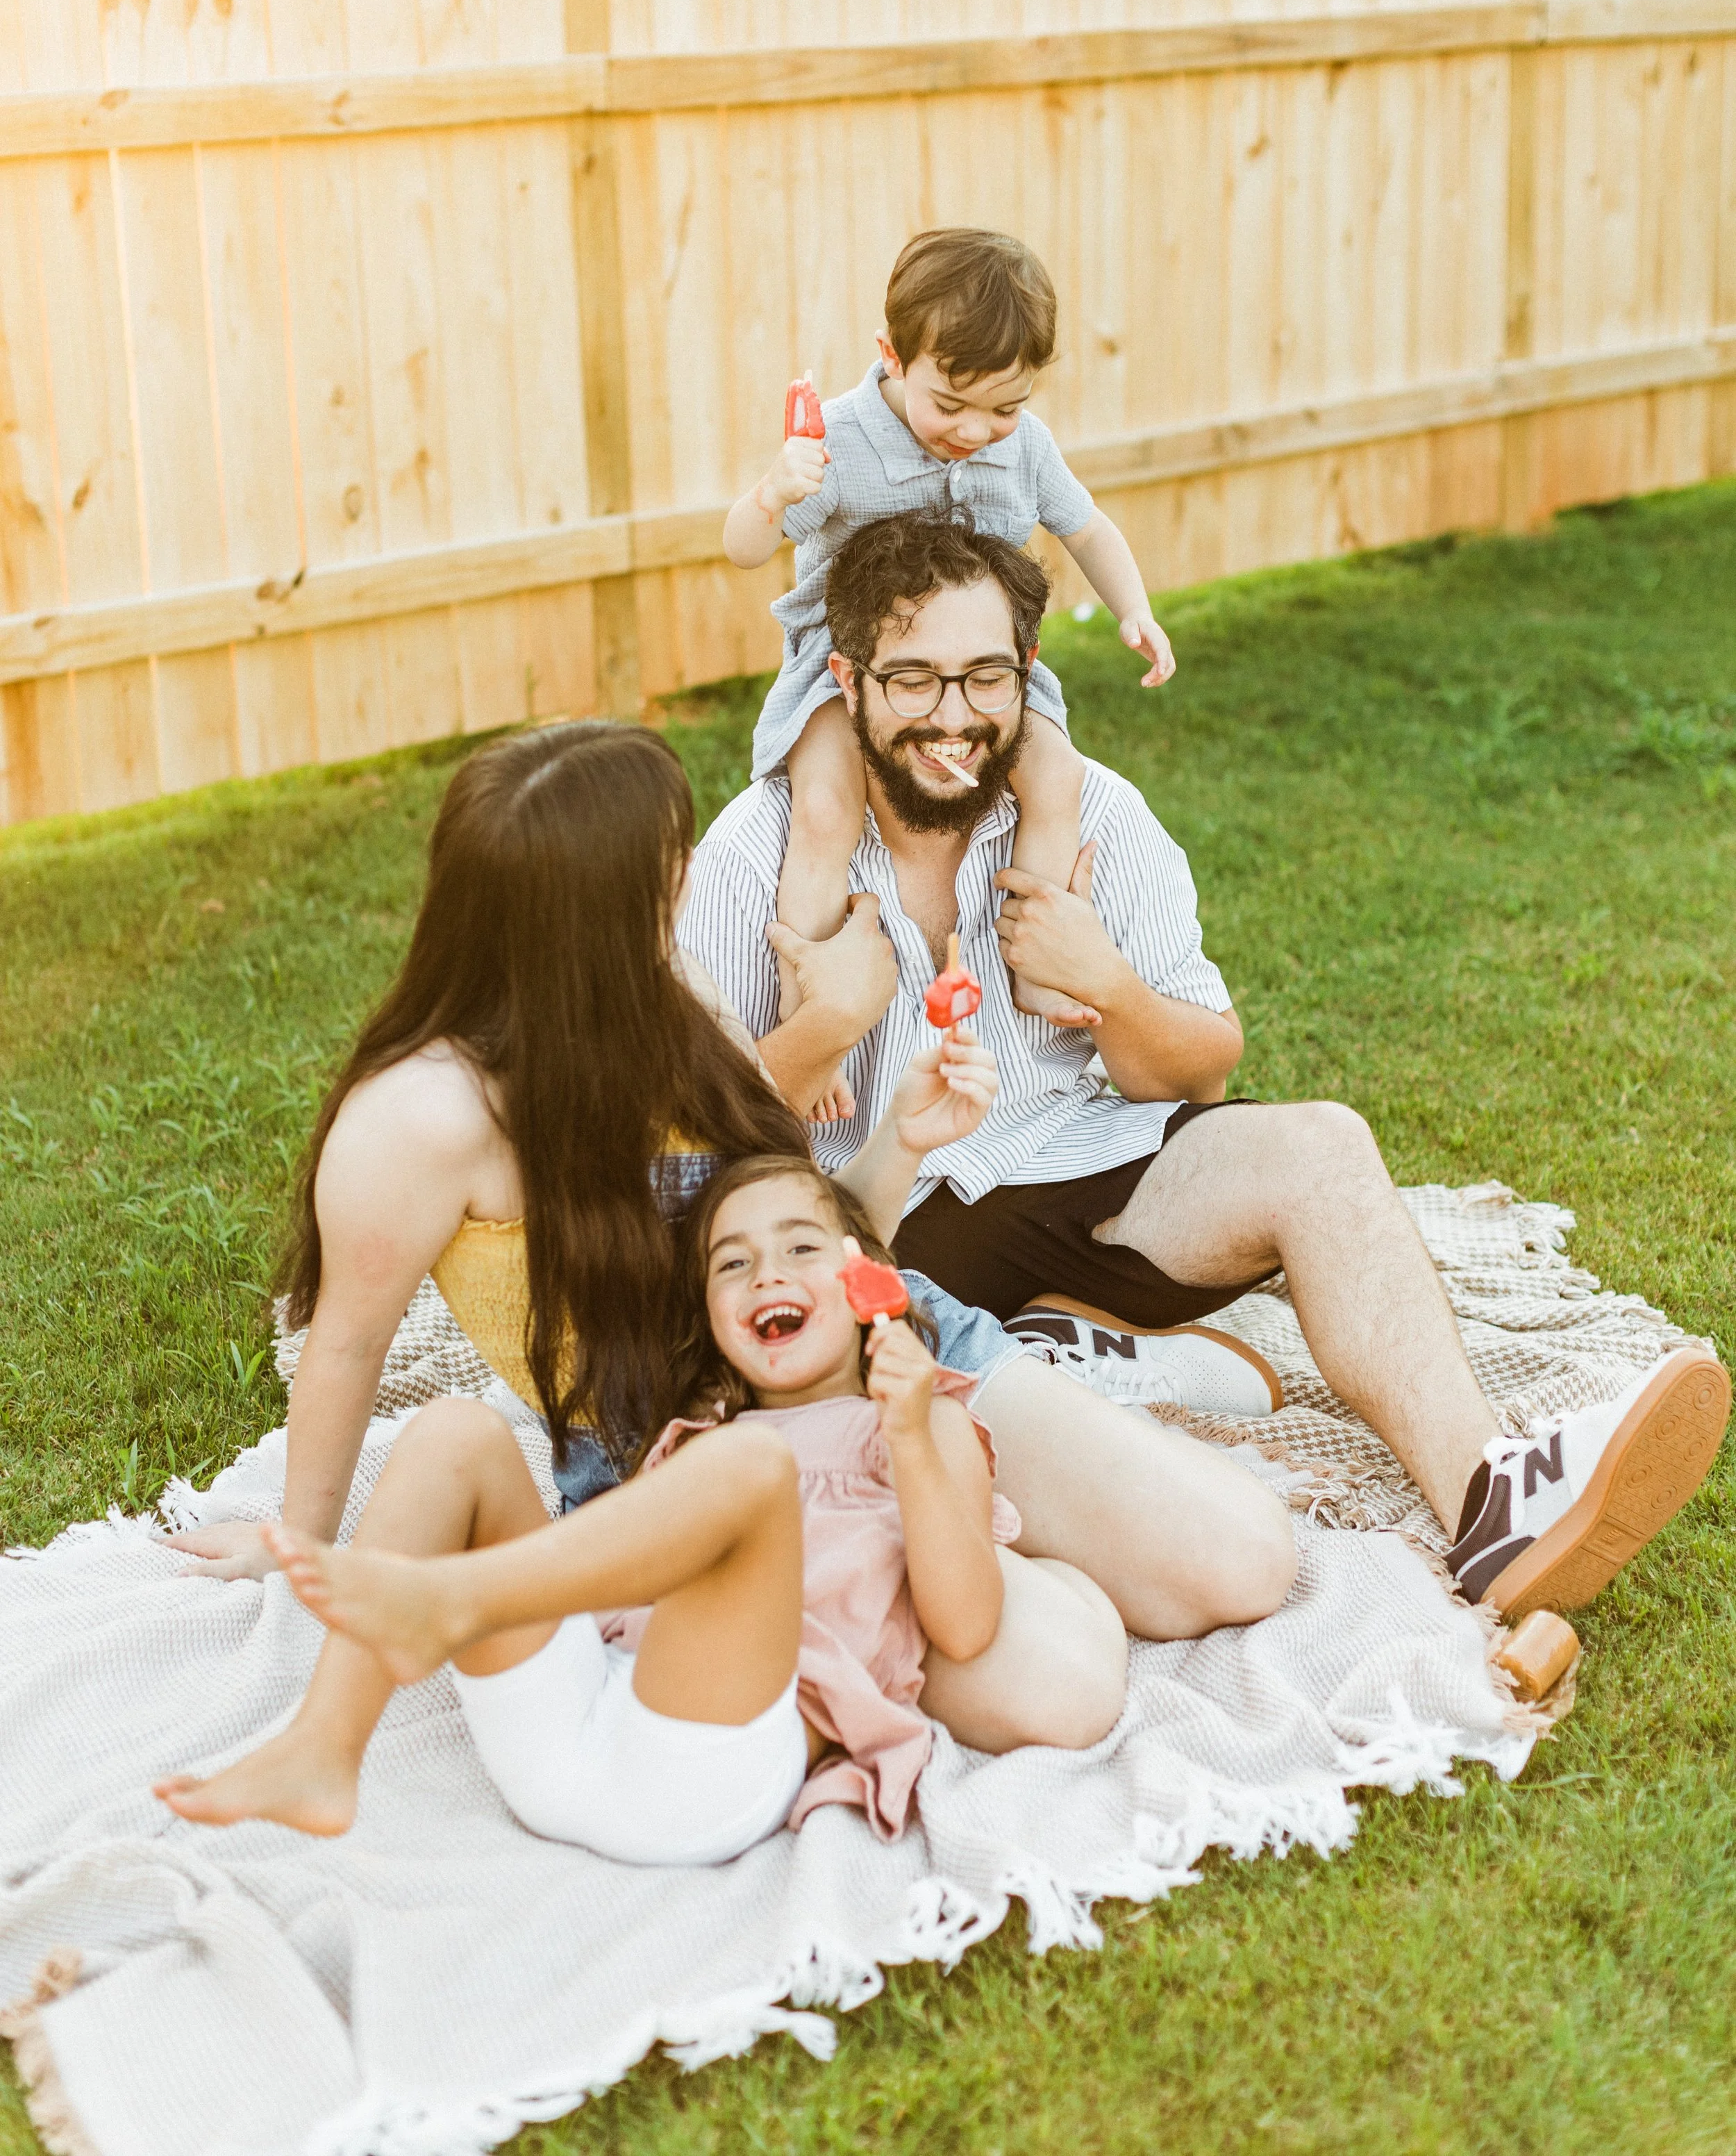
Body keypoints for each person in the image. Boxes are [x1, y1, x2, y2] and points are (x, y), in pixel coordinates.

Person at [678, 513, 1732, 1625]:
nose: (954, 716)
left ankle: (1490, 1497)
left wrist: (1111, 987)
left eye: (986, 676)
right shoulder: (755, 855)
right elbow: (697, 1150)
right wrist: (831, 1021)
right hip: (882, 1239)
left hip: (1079, 1179)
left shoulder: (1099, 813)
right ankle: (1057, 1354)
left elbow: (1202, 1073)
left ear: (1028, 669)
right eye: (913, 680)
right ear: (847, 680)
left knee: (1320, 1146)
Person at [162, 720, 1140, 1743]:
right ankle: (991, 1552)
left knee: (1227, 1565)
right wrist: (298, 1537)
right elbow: (347, 1340)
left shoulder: (676, 995)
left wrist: (901, 1131)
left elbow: (809, 1237)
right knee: (1059, 1691)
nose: (690, 871)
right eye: (667, 858)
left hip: (876, 1369)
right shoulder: (419, 1118)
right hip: (691, 1464)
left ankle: (1007, 1524)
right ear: (587, 908)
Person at [155, 1157, 1127, 1856]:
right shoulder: (701, 1438)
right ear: (708, 1316)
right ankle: (326, 1744)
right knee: (457, 1431)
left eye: (801, 1247)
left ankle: (453, 1599)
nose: (767, 1273)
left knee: (753, 1471)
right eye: (731, 1264)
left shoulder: (922, 1425)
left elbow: (965, 1623)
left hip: (705, 1762)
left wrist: (909, 1433)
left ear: (870, 1284)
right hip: (570, 1715)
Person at [721, 228, 1176, 1036]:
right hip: (847, 673)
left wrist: (1132, 608)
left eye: (1004, 408)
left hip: (980, 667)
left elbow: (1086, 527)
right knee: (822, 810)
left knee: (1056, 777)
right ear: (892, 357)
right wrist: (772, 492)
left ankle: (1036, 965)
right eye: (951, 405)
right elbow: (743, 549)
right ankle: (808, 1002)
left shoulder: (1025, 448)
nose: (974, 431)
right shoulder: (838, 440)